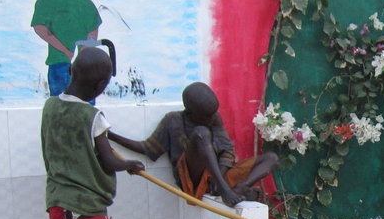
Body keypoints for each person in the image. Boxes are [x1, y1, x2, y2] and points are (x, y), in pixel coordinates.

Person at [41, 46, 144, 219]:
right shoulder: (93, 116)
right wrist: (131, 164)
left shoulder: (50, 107)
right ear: (100, 85)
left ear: (72, 71)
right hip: (88, 206)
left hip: (58, 201)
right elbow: (110, 161)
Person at [108, 82, 278, 207]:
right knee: (201, 133)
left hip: (217, 177)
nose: (212, 119)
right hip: (191, 180)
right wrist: (109, 135)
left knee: (271, 158)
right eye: (207, 115)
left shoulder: (215, 118)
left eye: (213, 114)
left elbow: (227, 150)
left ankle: (240, 187)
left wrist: (220, 176)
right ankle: (225, 189)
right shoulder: (173, 120)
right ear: (189, 112)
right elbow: (146, 148)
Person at [31, 0, 102, 97]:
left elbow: (92, 33)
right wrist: (65, 51)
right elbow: (40, 28)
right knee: (61, 107)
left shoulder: (86, 4)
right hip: (58, 63)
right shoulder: (45, 2)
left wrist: (81, 56)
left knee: (84, 107)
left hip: (84, 67)